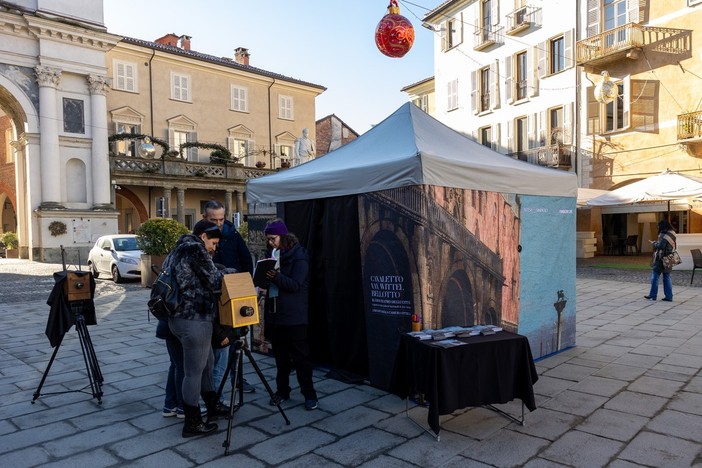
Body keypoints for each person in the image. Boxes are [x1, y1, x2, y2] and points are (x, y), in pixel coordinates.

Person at [167, 219, 229, 438]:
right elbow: (214, 281)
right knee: (193, 372)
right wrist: (225, 272)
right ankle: (192, 422)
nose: (214, 248)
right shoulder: (196, 249)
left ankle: (213, 406)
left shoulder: (179, 248)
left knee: (207, 362)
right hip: (194, 318)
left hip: (179, 318)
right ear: (203, 236)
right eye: (213, 243)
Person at [263, 219, 319, 410]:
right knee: (280, 358)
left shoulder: (299, 256)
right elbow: (267, 281)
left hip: (294, 315)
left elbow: (295, 285)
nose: (270, 243)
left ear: (283, 236)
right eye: (268, 239)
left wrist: (275, 277)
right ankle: (282, 391)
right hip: (274, 313)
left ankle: (309, 394)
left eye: (273, 239)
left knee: (301, 358)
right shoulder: (271, 254)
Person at [202, 200, 255, 396]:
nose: (218, 223)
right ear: (204, 218)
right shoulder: (201, 239)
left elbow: (247, 261)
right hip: (213, 301)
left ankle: (238, 380)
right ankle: (214, 390)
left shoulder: (233, 235)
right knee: (219, 347)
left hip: (234, 297)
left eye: (221, 219)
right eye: (213, 219)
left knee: (238, 342)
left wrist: (243, 287)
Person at [156, 318, 185, 418]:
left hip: (168, 327)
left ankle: (170, 405)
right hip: (176, 327)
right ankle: (183, 407)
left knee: (175, 364)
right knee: (182, 366)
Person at [645, 220, 676, 302]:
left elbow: (661, 246)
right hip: (669, 258)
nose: (658, 228)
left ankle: (653, 295)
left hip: (660, 258)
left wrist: (654, 243)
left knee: (655, 276)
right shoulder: (672, 233)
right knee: (667, 277)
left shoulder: (663, 234)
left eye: (658, 226)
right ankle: (669, 296)